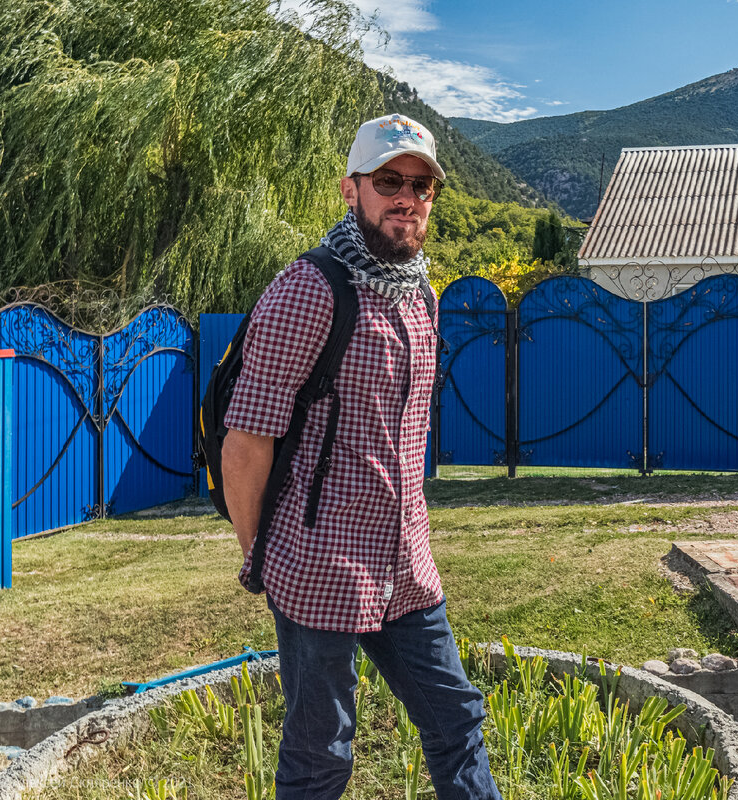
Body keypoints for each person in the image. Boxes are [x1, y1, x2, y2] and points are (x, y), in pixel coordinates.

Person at [220, 113, 502, 800]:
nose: (406, 197)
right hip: (319, 563)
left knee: (456, 719)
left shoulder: (422, 297)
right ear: (353, 191)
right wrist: (261, 552)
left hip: (406, 563)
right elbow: (247, 440)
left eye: (421, 185)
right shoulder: (306, 290)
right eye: (388, 181)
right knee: (321, 755)